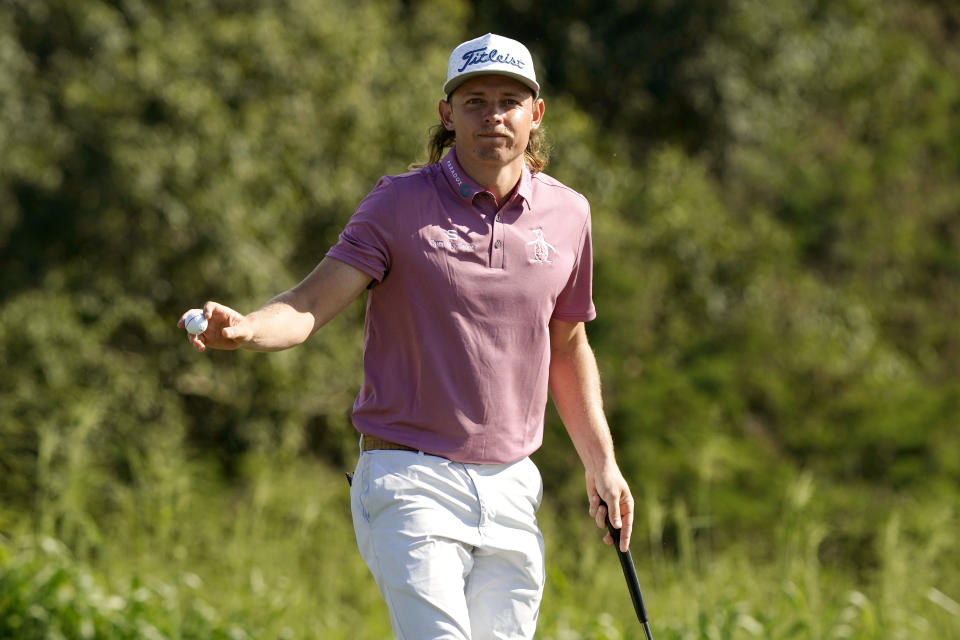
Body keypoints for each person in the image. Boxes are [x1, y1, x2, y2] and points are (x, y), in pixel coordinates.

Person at [179, 32, 634, 640]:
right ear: (448, 114)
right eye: (474, 101)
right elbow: (311, 301)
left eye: (508, 100)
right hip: (409, 477)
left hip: (512, 482)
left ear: (535, 113)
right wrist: (249, 329)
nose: (492, 115)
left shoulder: (569, 214)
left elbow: (568, 345)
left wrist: (601, 463)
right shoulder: (398, 203)